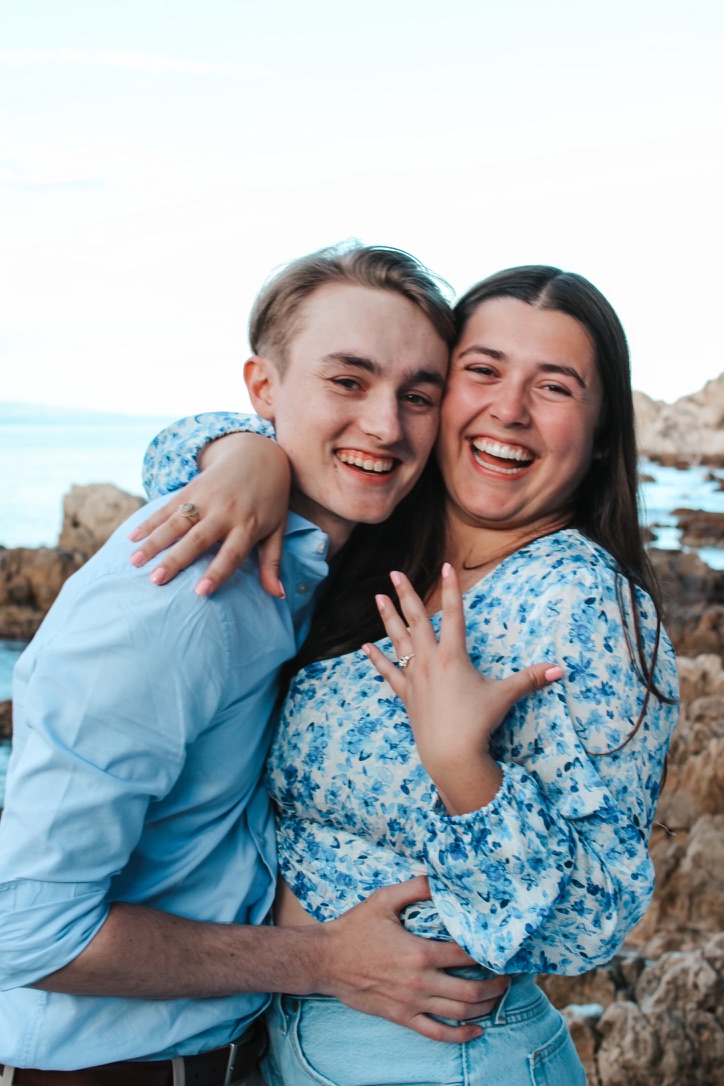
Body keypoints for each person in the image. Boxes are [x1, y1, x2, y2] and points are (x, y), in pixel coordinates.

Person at [0, 245, 540, 1086]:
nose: (386, 426)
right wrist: (321, 961)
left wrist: (236, 451)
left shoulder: (310, 573)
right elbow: (27, 929)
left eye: (418, 396)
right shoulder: (180, 601)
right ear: (262, 390)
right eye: (348, 382)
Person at [131, 264, 679, 1084]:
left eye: (555, 387)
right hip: (297, 1030)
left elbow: (589, 923)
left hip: (439, 1054)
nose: (510, 409)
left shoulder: (580, 600)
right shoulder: (384, 547)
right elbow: (173, 456)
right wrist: (249, 456)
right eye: (483, 371)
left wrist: (466, 769)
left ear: (601, 431)